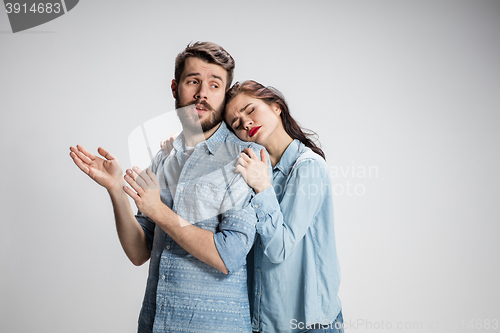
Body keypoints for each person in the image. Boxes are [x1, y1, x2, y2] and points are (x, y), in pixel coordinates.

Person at [69, 42, 268, 333]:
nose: (202, 93)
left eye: (214, 85)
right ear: (175, 87)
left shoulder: (246, 158)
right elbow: (139, 252)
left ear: (225, 95)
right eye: (193, 82)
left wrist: (158, 210)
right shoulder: (164, 158)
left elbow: (229, 257)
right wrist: (114, 188)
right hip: (154, 323)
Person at [224, 80, 344, 333]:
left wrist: (262, 187)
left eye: (250, 110)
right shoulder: (251, 169)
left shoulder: (307, 167)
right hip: (261, 322)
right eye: (236, 124)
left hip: (308, 324)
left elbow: (278, 248)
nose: (245, 123)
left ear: (276, 106)